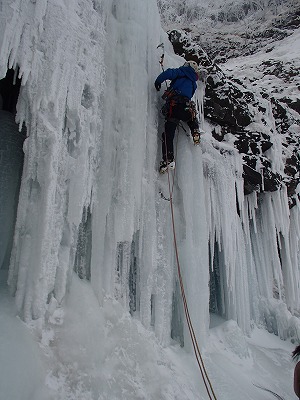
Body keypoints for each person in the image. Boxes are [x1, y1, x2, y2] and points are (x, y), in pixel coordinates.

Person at [154, 60, 201, 174]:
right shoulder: (193, 82)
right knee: (191, 117)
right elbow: (190, 94)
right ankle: (195, 130)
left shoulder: (181, 72)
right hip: (186, 107)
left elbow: (169, 73)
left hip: (174, 107)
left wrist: (158, 81)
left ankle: (168, 159)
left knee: (168, 134)